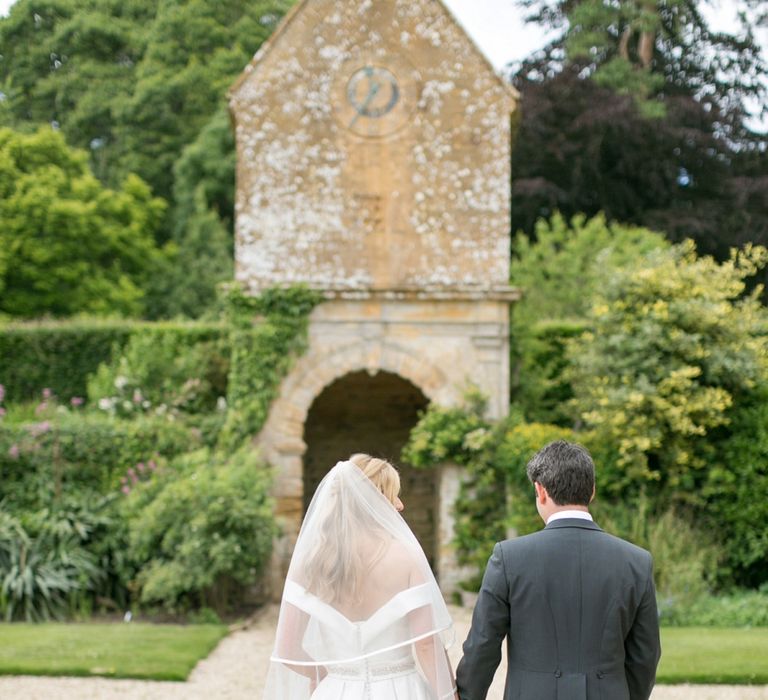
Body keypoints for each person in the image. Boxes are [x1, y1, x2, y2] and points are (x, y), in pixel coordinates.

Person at [456, 440, 661, 700]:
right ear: (592, 491)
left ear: (540, 491)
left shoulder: (509, 557)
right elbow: (645, 655)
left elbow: (483, 645)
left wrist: (467, 695)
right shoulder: (637, 561)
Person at [264, 453, 458, 699]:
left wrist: (323, 675)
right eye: (393, 495)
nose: (400, 505)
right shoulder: (407, 557)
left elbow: (287, 649)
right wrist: (450, 696)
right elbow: (427, 645)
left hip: (335, 691)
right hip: (399, 690)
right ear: (372, 502)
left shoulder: (310, 561)